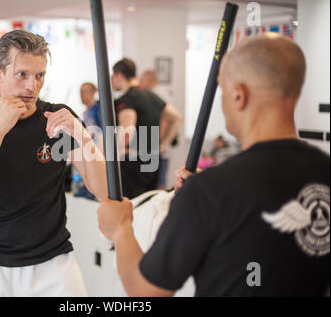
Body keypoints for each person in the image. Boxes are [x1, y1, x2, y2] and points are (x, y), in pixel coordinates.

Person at [97, 33, 330, 296]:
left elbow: (146, 291)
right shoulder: (324, 172)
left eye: (222, 89)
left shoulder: (210, 191)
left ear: (238, 95)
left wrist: (120, 229)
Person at [0, 30, 107, 297]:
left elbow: (103, 191)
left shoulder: (57, 118)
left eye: (39, 75)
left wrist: (82, 135)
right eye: (22, 74)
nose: (32, 86)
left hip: (53, 265)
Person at [111, 58, 182, 198]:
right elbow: (177, 117)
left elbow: (127, 132)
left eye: (112, 76)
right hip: (153, 161)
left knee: (132, 211)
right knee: (148, 207)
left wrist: (114, 151)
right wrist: (163, 145)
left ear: (119, 76)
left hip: (133, 165)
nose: (111, 80)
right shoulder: (152, 96)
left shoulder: (127, 99)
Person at [140, 69, 182, 190]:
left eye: (142, 80)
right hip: (160, 146)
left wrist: (160, 143)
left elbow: (163, 119)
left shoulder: (156, 94)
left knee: (158, 184)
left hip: (159, 147)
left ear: (149, 80)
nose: (140, 83)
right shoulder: (162, 93)